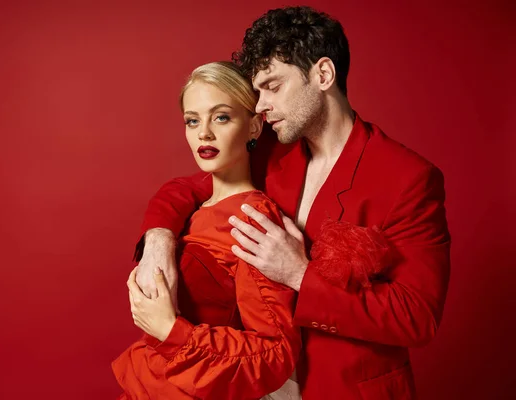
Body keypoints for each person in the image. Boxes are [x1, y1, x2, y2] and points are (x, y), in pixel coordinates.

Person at [132, 6, 451, 400]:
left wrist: (299, 274)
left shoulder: (409, 179)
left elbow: (415, 317)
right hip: (255, 382)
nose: (260, 105)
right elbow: (190, 187)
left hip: (345, 388)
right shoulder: (273, 146)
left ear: (322, 75)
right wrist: (158, 241)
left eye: (272, 86)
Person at [112, 61, 302, 400]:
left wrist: (170, 332)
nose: (204, 133)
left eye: (222, 117)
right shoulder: (195, 210)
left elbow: (275, 354)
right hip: (148, 385)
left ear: (255, 126)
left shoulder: (252, 218)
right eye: (192, 120)